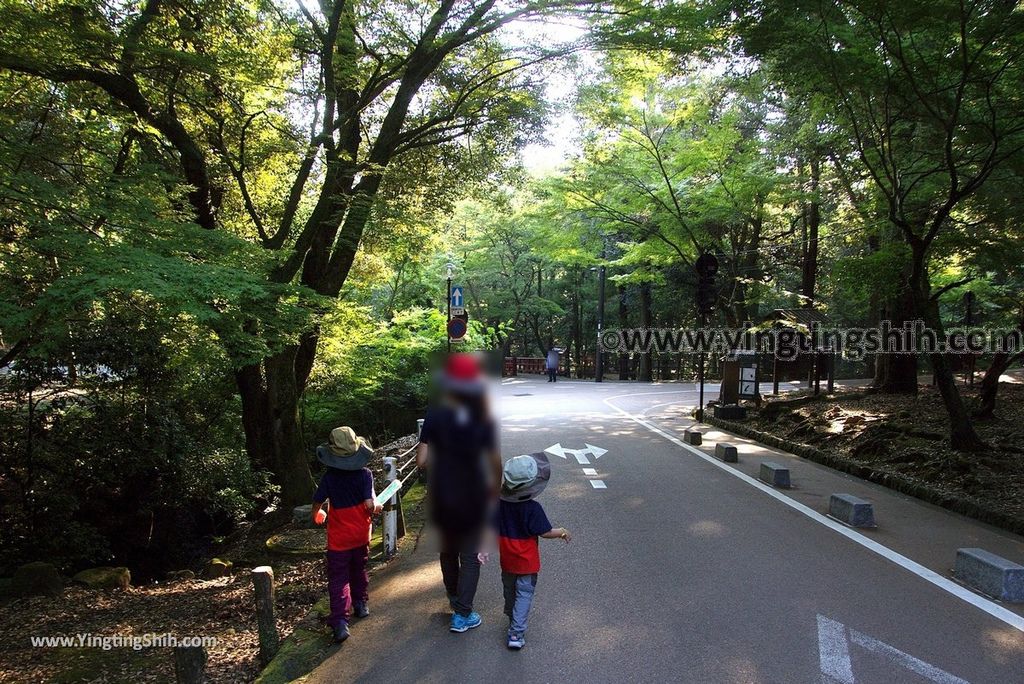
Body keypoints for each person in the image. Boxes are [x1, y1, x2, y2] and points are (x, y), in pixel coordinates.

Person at [416, 353, 502, 633]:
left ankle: (455, 600)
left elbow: (421, 460)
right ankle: (463, 614)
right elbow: (494, 460)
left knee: (447, 551)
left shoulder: (435, 413)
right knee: (469, 554)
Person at [488, 452, 570, 650]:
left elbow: (490, 528)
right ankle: (516, 633)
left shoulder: (498, 505)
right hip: (527, 560)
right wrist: (562, 532)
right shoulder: (533, 508)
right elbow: (545, 532)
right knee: (524, 593)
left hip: (507, 558)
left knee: (509, 588)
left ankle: (511, 614)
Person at [312, 426, 381, 643]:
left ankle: (340, 621)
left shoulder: (329, 477)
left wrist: (318, 513)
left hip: (339, 539)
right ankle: (361, 604)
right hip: (361, 534)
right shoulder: (366, 475)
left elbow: (318, 501)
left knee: (339, 578)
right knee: (359, 568)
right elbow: (370, 504)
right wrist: (376, 506)